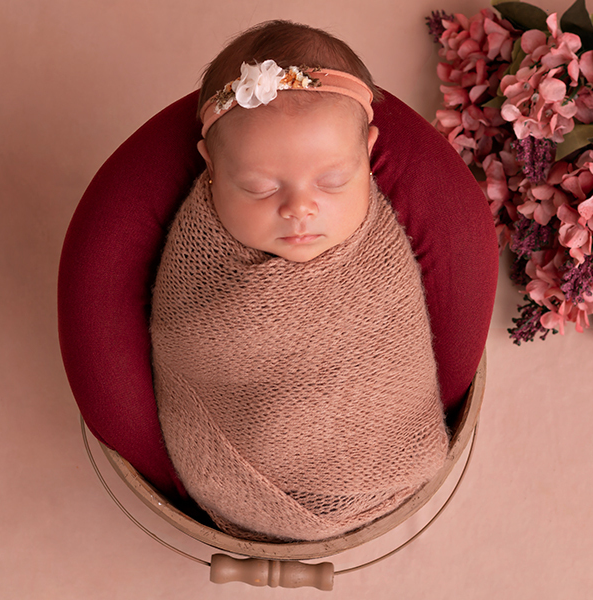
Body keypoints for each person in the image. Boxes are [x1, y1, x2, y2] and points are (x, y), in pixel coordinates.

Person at [149, 20, 448, 542]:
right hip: (246, 465)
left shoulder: (377, 250)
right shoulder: (198, 253)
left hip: (388, 445)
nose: (300, 209)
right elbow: (187, 339)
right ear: (211, 168)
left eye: (334, 181)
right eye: (259, 188)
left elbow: (397, 344)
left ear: (369, 154)